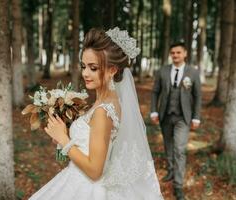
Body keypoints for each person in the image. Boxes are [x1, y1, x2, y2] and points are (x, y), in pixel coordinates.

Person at [29, 27, 164, 200]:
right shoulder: (104, 102)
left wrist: (65, 140)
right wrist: (65, 137)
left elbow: (95, 171)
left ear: (112, 70)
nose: (85, 73)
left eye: (93, 68)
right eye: (84, 66)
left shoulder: (103, 111)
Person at [150, 42, 201, 200]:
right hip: (165, 114)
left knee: (179, 149)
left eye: (178, 52)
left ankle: (178, 185)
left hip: (183, 117)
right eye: (173, 53)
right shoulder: (163, 71)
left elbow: (198, 96)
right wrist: (153, 110)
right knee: (168, 145)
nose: (175, 55)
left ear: (185, 54)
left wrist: (196, 117)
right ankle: (171, 170)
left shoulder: (192, 72)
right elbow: (155, 92)